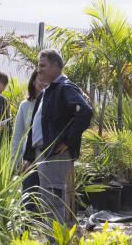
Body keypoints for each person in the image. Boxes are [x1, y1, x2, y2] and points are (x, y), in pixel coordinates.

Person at [24, 49, 93, 227]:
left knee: (53, 201)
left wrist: (67, 141)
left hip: (54, 155)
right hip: (43, 154)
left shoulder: (64, 88)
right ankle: (52, 244)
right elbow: (35, 126)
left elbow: (85, 112)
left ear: (55, 66)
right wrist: (29, 157)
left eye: (43, 66)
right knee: (46, 201)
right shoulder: (49, 91)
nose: (39, 70)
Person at [12, 70, 47, 212]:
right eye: (40, 79)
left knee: (47, 199)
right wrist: (14, 161)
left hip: (48, 156)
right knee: (28, 197)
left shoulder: (53, 103)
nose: (43, 83)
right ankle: (25, 231)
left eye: (46, 80)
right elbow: (18, 135)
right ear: (33, 82)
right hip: (29, 158)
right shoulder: (25, 106)